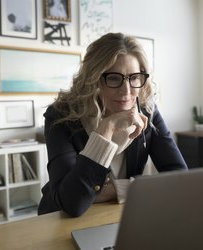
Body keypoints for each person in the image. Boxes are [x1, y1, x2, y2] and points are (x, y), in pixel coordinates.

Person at [38, 32, 188, 217]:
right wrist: (104, 132)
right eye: (114, 78)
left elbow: (179, 177)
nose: (126, 91)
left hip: (119, 213)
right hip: (60, 219)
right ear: (94, 78)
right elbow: (72, 203)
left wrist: (119, 188)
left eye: (134, 78)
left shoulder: (147, 111)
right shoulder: (61, 116)